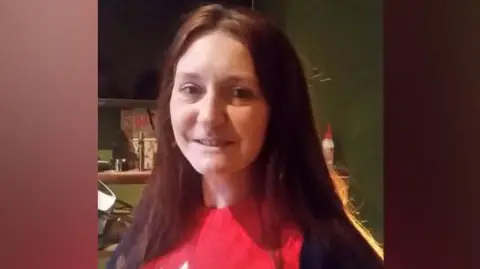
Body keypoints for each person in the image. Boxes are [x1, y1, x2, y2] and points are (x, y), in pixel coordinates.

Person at [107, 4, 384, 269]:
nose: (209, 116)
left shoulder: (327, 251)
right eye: (191, 89)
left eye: (239, 92)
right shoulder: (148, 234)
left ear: (279, 110)